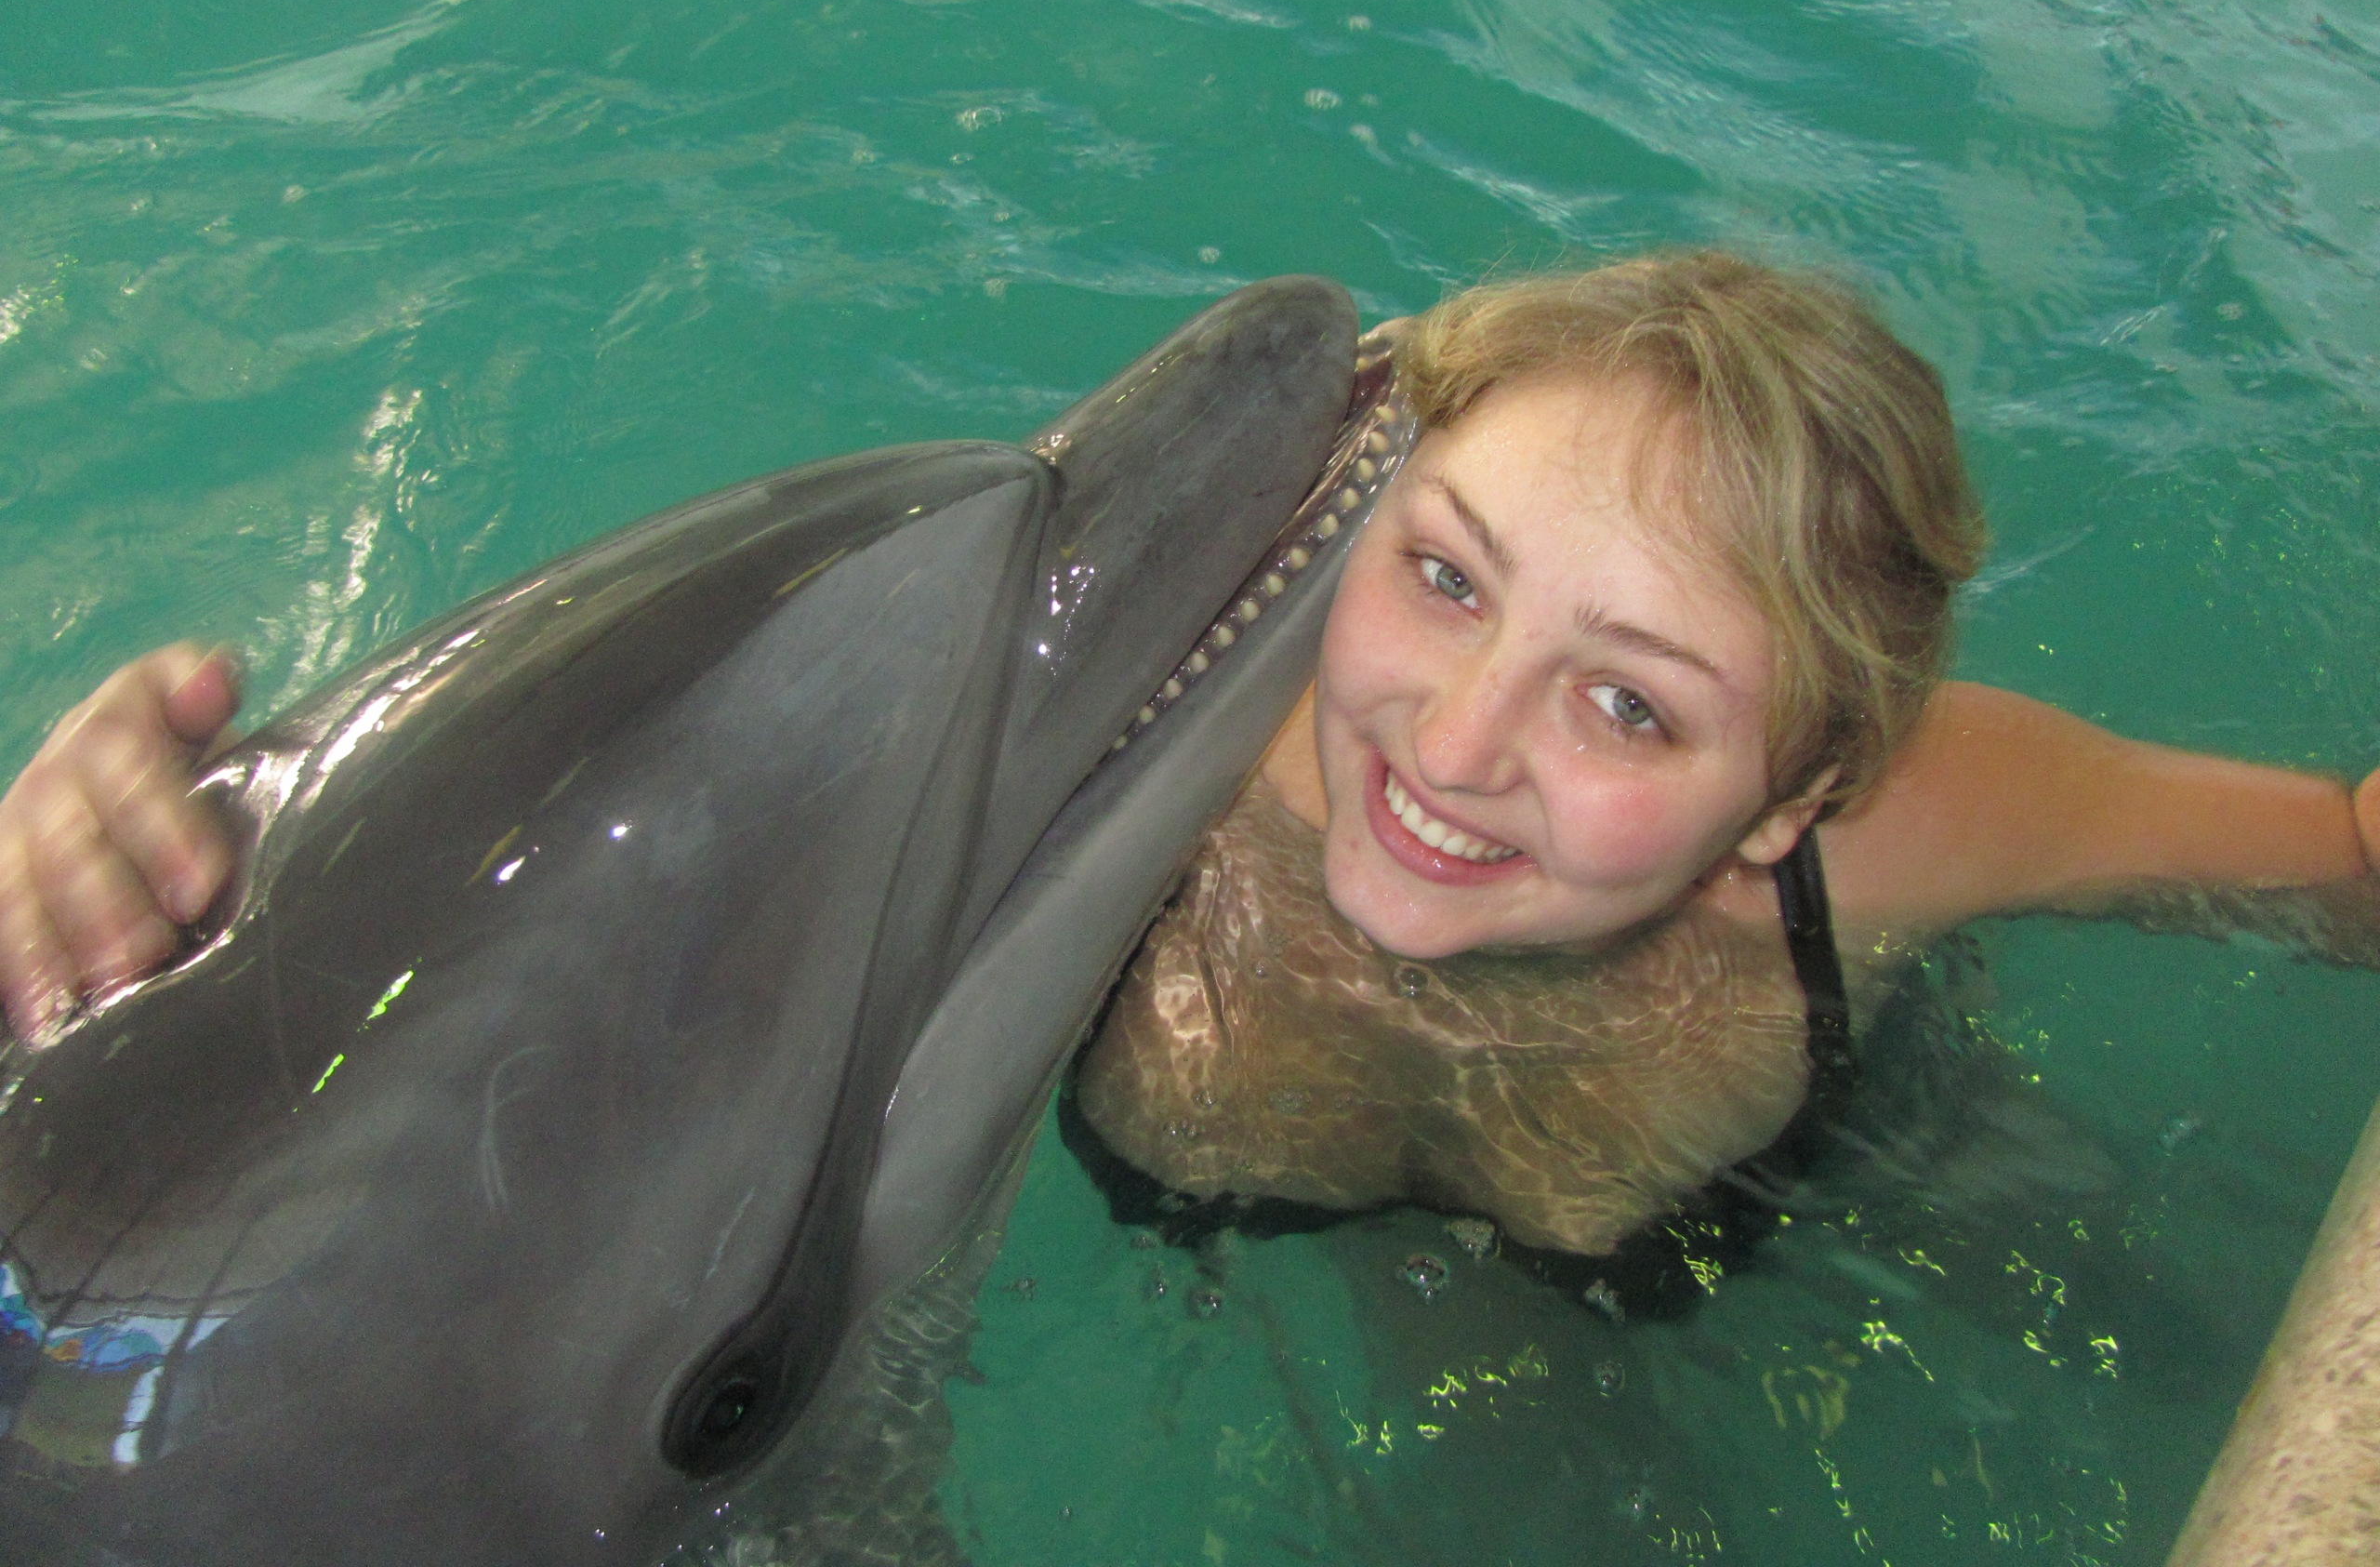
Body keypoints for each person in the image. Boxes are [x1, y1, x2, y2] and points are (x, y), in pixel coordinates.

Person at [4, 254, 2376, 1283]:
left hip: (1786, 1183)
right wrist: (113, 893)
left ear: (1786, 797)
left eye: (1631, 704)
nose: (1451, 745)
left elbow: (2343, 861)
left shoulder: (1898, 831)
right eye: (1440, 576)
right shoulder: (1158, 752)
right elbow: (575, 923)